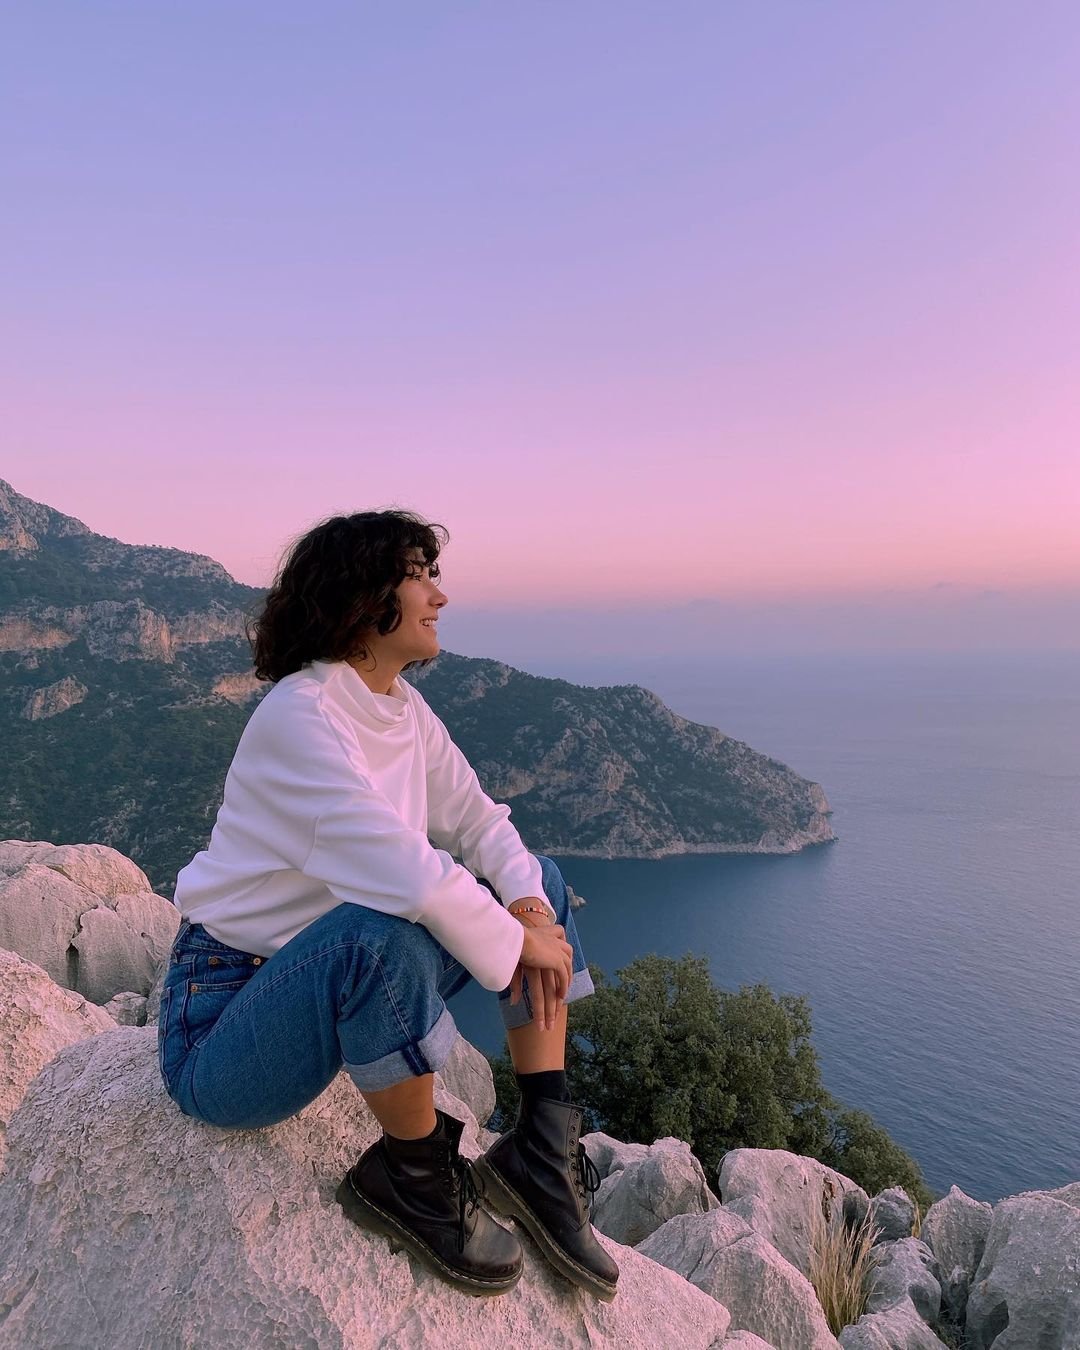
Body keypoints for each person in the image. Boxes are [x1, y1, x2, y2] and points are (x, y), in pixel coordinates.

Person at [157, 508, 618, 1302]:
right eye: (420, 577)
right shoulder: (300, 718)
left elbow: (479, 823)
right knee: (381, 934)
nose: (440, 596)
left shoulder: (399, 707)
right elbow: (411, 875)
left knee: (535, 879)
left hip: (315, 980)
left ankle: (541, 1148)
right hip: (223, 1026)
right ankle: (412, 1175)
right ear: (365, 598)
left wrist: (531, 914)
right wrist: (517, 946)